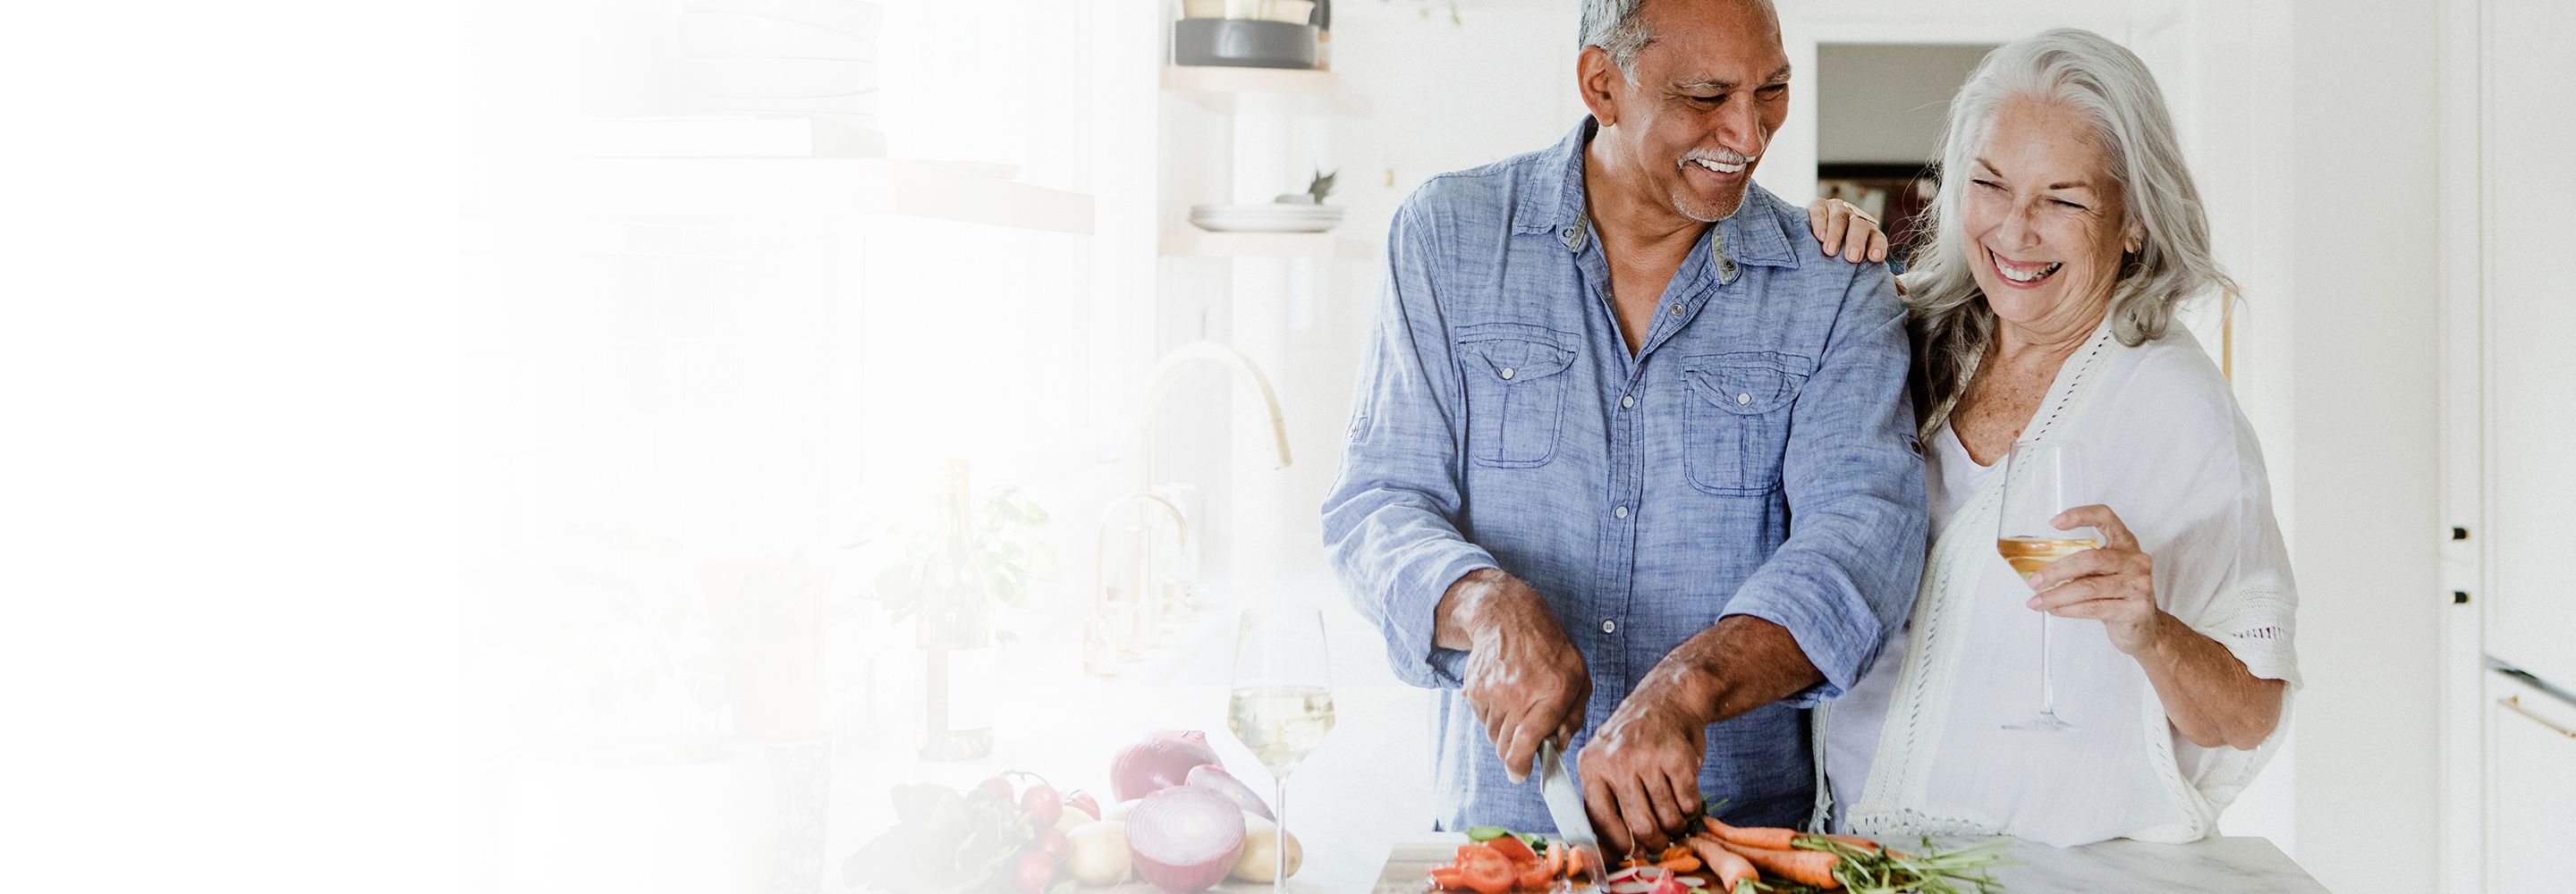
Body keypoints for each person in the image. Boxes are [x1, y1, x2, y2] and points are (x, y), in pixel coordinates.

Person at [1320, 0, 1926, 855]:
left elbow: (1864, 540)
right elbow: (1377, 502)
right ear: (1602, 84)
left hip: (1739, 848)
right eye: (1706, 96)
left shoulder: (1834, 287)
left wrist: (1689, 687)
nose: (1750, 136)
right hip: (1507, 846)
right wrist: (1482, 602)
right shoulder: (1447, 237)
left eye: (1773, 91)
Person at [1807, 29, 2299, 848]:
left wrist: (2152, 630)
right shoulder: (1908, 339)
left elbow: (2247, 713)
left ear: (2133, 221)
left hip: (2047, 870)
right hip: (1849, 851)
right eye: (1990, 186)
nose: (2015, 230)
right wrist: (1813, 252)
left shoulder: (2175, 408)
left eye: (2063, 200)